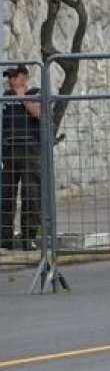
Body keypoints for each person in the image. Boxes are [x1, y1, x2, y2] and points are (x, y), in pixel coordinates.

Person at [1, 64, 43, 251]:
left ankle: (28, 238)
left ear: (24, 77)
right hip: (9, 150)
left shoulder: (35, 92)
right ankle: (5, 238)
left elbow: (39, 113)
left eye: (14, 76)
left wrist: (22, 96)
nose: (11, 80)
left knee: (31, 195)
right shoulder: (5, 97)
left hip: (30, 150)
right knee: (6, 195)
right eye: (9, 77)